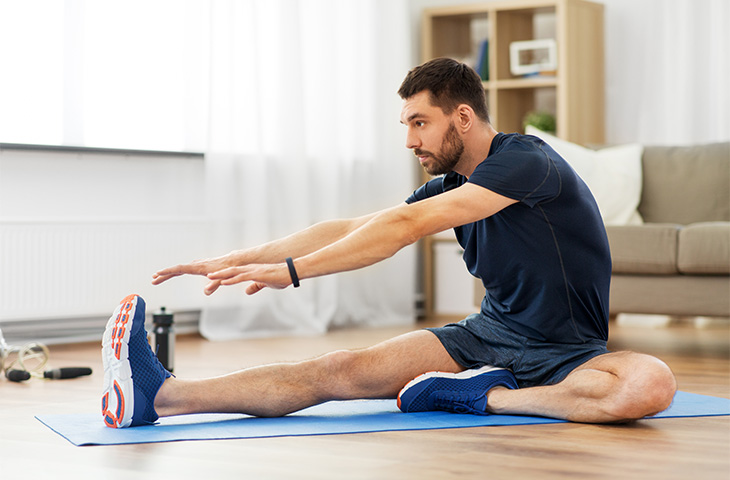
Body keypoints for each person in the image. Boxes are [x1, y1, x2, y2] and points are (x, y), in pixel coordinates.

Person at [101, 58, 677, 429]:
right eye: (405, 125)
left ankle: (483, 398)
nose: (409, 139)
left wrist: (296, 272)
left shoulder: (526, 161)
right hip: (486, 338)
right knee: (338, 368)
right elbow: (355, 227)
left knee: (649, 383)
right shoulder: (449, 183)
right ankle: (163, 396)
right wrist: (248, 256)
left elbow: (401, 231)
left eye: (419, 123)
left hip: (569, 351)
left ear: (463, 116)